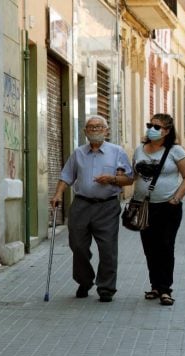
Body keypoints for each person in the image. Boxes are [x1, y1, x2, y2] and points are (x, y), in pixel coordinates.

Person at [50, 115, 133, 302]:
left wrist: (111, 179)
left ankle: (106, 288)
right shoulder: (78, 153)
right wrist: (57, 195)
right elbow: (66, 176)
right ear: (85, 132)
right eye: (90, 127)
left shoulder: (117, 152)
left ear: (106, 130)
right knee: (77, 245)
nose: (94, 130)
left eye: (98, 127)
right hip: (81, 204)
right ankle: (84, 280)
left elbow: (129, 178)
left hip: (107, 206)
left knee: (107, 248)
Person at [133, 113, 185, 306]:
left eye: (157, 127)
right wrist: (114, 179)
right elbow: (132, 176)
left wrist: (176, 199)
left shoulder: (175, 151)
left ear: (167, 131)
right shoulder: (139, 150)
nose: (152, 129)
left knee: (166, 246)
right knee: (149, 247)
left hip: (168, 208)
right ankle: (155, 286)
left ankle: (166, 289)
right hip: (144, 207)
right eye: (150, 124)